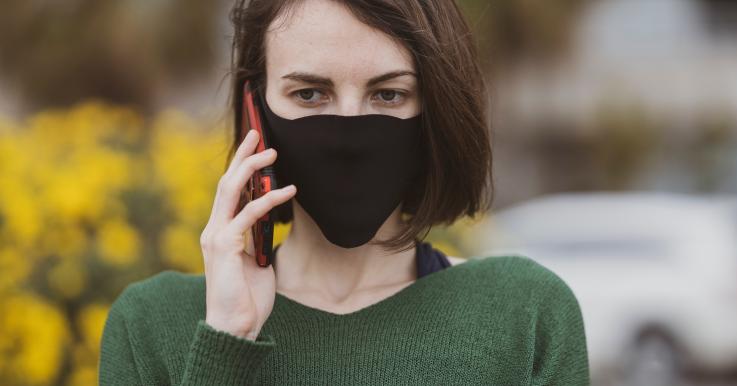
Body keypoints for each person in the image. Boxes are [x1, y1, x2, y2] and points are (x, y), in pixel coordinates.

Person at [98, 0, 590, 385]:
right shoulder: (152, 325)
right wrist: (227, 341)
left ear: (434, 113)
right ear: (256, 111)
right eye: (309, 94)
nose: (349, 129)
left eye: (388, 94)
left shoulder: (524, 313)